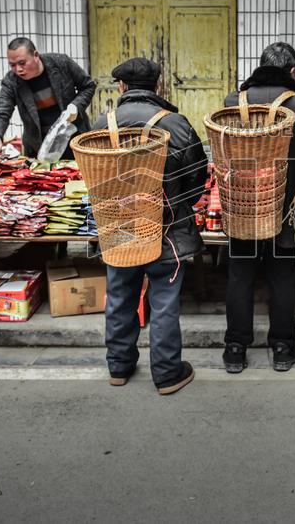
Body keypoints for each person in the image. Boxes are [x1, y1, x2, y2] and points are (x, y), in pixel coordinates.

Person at [90, 57, 208, 395]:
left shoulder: (102, 122)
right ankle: (168, 373)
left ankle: (119, 366)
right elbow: (197, 176)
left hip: (119, 228)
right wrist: (177, 203)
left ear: (122, 88)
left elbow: (93, 175)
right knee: (164, 301)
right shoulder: (175, 123)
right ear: (157, 86)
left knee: (119, 297)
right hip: (167, 229)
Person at [222, 42, 295, 373]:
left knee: (240, 276)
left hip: (244, 201)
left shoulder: (233, 102)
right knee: (282, 276)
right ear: (292, 71)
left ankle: (235, 349)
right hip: (287, 204)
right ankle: (282, 348)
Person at [0, 37, 95, 158]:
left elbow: (88, 86)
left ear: (36, 55)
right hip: (38, 146)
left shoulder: (61, 63)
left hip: (74, 139)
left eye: (22, 63)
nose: (18, 69)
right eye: (12, 65)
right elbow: (1, 111)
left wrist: (75, 106)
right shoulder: (12, 81)